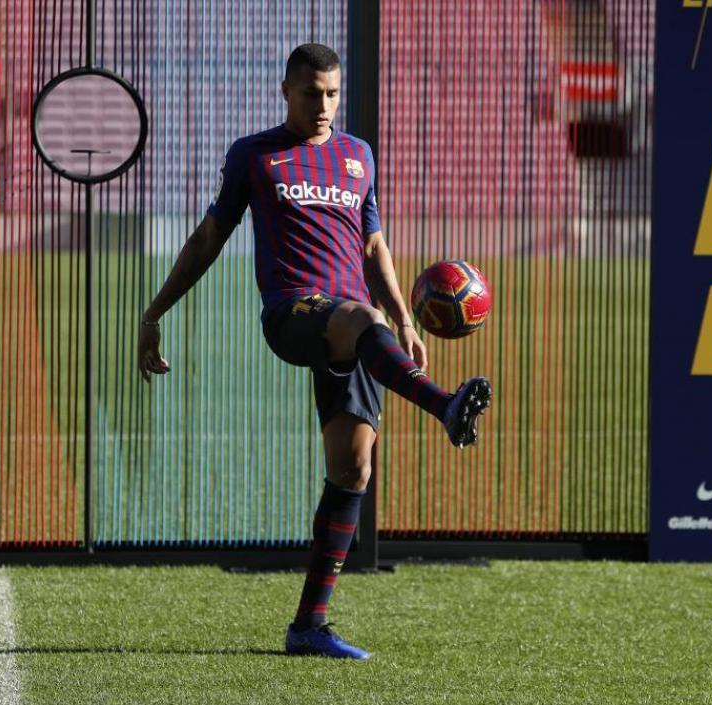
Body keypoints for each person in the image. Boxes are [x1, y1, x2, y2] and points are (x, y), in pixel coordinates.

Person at [136, 43, 491, 660]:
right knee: (359, 317)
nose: (323, 105)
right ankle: (444, 406)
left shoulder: (359, 156)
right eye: (310, 94)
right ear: (285, 92)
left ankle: (309, 626)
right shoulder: (254, 156)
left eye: (331, 94)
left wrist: (404, 319)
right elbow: (208, 239)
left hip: (361, 330)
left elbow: (373, 247)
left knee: (353, 469)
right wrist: (154, 312)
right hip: (293, 315)